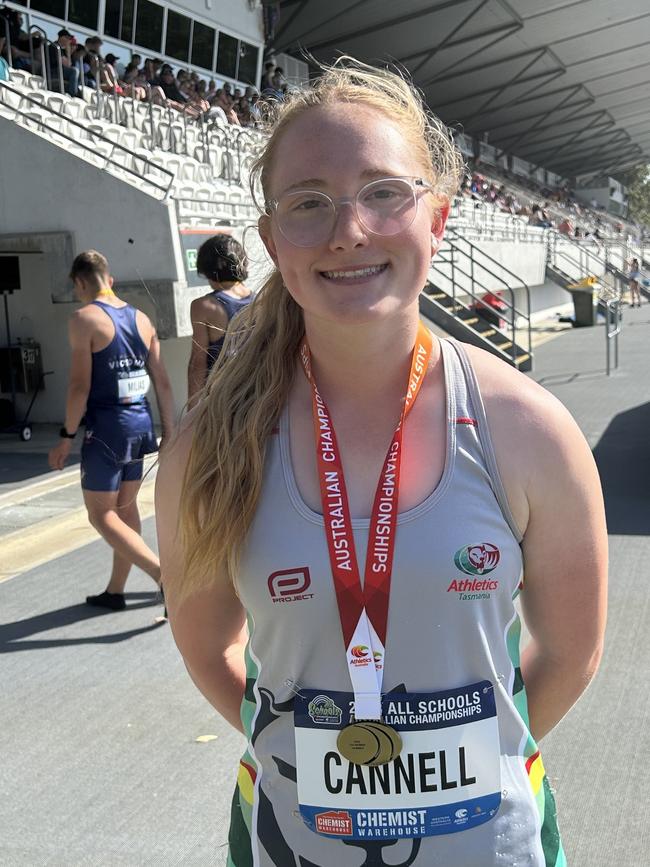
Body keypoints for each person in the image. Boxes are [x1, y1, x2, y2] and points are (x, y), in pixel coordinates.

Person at [156, 59, 607, 865]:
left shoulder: (529, 428)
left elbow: (571, 654)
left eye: (383, 192)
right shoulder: (207, 447)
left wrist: (457, 760)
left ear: (436, 218)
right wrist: (306, 749)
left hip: (488, 844)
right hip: (291, 842)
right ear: (271, 239)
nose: (348, 229)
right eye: (309, 203)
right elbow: (207, 649)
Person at [49, 250, 175, 612]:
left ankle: (162, 576)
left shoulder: (83, 319)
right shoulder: (142, 319)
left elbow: (78, 387)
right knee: (125, 507)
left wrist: (65, 436)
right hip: (140, 423)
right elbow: (162, 382)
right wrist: (169, 431)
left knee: (101, 514)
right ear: (111, 279)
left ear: (80, 282)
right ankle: (116, 590)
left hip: (106, 428)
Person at [186, 234, 252, 406]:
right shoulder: (262, 301)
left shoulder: (205, 306)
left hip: (224, 401)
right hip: (258, 397)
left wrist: (192, 413)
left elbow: (198, 363)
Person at [47, 28, 79, 98]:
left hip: (58, 71)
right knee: (74, 71)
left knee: (76, 73)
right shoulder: (54, 46)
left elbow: (69, 65)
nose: (69, 41)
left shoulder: (60, 48)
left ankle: (74, 93)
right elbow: (68, 65)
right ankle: (72, 94)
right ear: (61, 37)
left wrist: (68, 53)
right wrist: (68, 52)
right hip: (52, 72)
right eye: (67, 38)